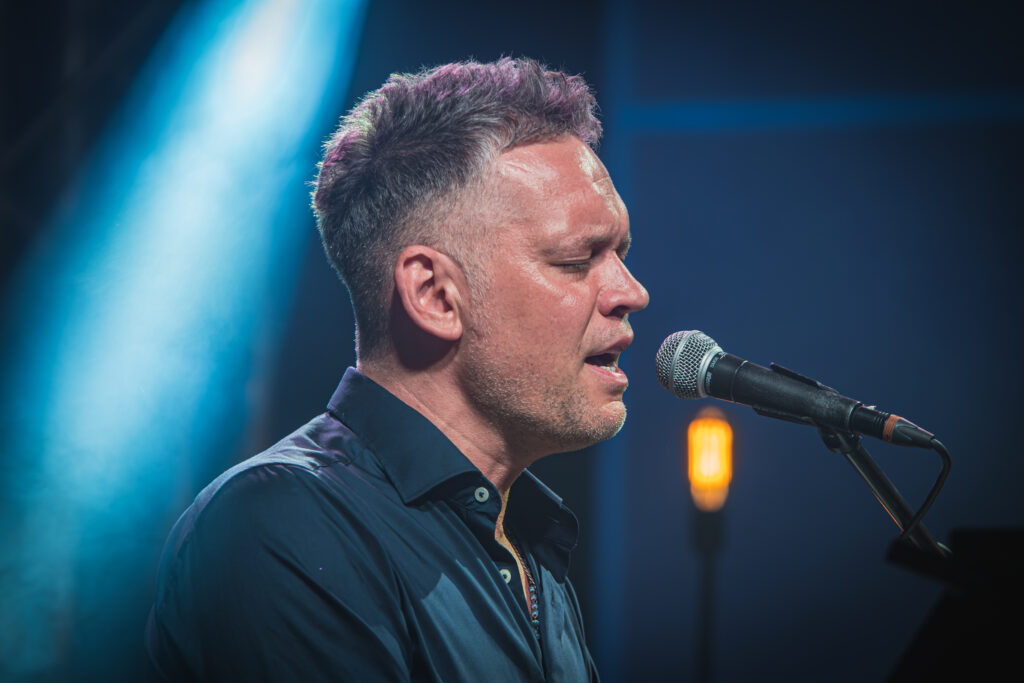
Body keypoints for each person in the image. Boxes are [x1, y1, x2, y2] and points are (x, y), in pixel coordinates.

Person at [146, 57, 649, 682]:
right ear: (435, 295)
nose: (632, 292)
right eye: (578, 260)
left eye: (620, 254)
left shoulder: (523, 538)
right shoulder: (279, 523)